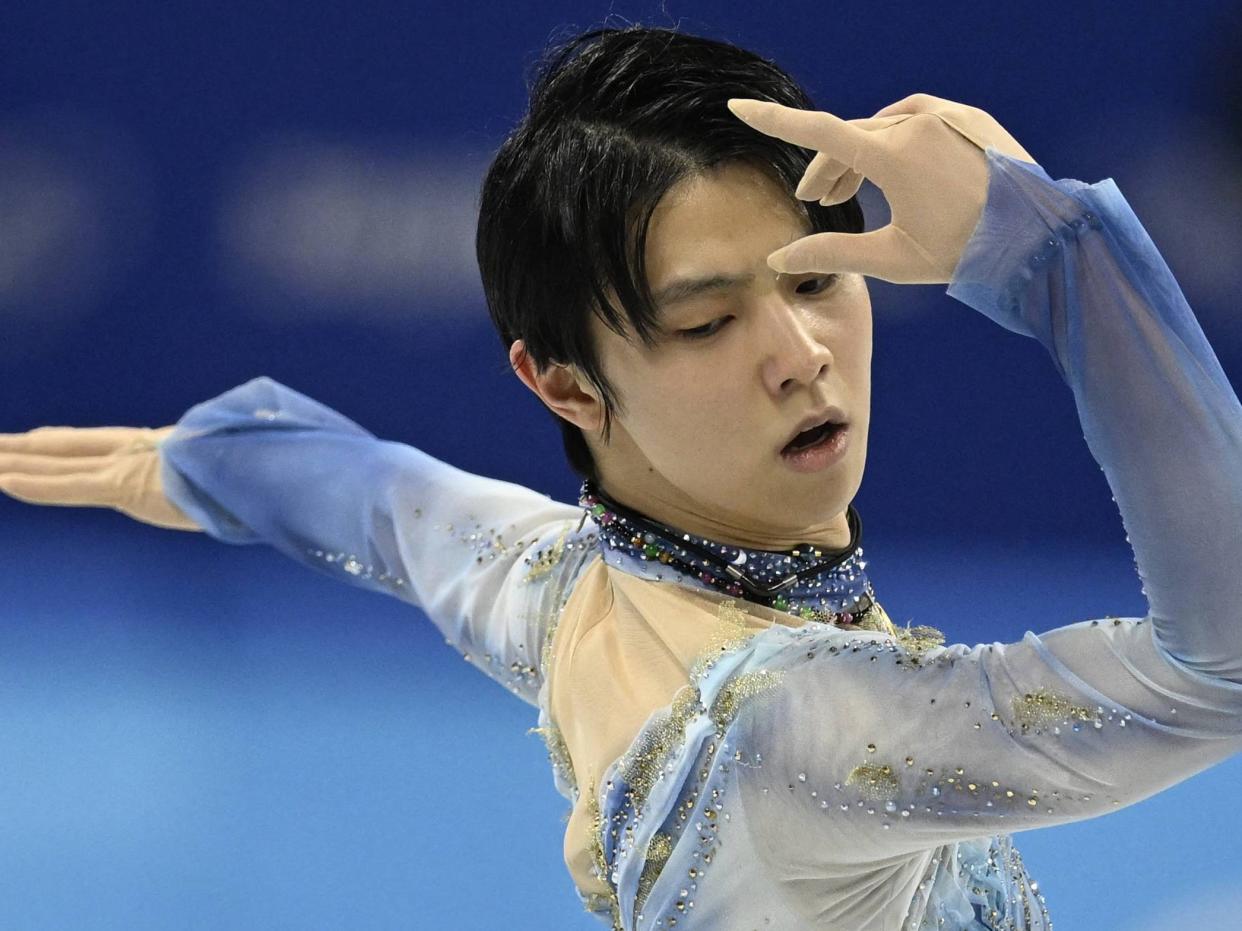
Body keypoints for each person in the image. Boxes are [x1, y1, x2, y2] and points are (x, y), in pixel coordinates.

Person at [2, 23, 1240, 931]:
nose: (800, 354)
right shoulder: (795, 730)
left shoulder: (562, 590)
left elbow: (382, 503)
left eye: (814, 280)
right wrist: (1055, 256)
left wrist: (212, 461)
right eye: (707, 323)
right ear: (564, 386)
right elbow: (1223, 664)